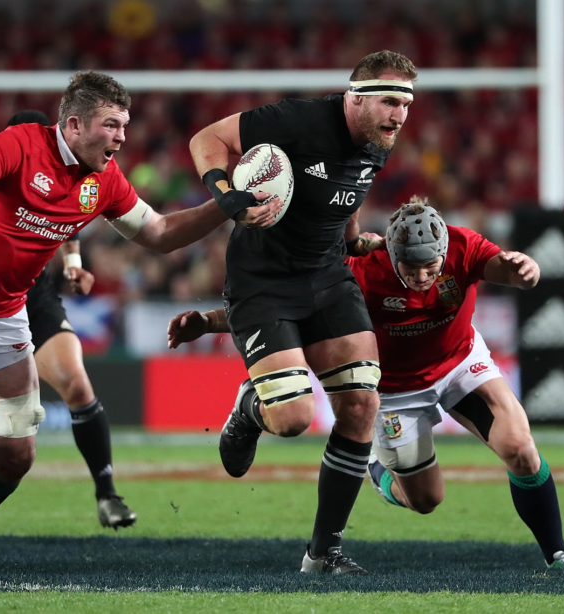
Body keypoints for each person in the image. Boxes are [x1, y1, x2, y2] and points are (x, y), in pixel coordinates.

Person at [0, 70, 279, 572]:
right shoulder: (21, 144)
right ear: (75, 124)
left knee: (16, 456)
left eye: (125, 125)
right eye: (111, 125)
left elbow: (159, 232)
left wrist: (223, 206)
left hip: (6, 313)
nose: (122, 137)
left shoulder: (103, 180)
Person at [168, 199, 564, 571]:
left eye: (430, 266)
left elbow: (506, 270)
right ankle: (374, 468)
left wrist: (526, 269)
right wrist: (208, 321)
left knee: (521, 449)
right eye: (410, 268)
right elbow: (285, 306)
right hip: (394, 392)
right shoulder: (361, 270)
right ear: (390, 252)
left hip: (460, 365)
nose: (422, 277)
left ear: (444, 250)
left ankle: (558, 553)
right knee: (426, 500)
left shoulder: (463, 246)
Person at [187, 50, 417, 575]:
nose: (399, 115)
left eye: (406, 104)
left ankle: (322, 553)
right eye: (389, 101)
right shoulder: (297, 119)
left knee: (361, 405)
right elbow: (207, 139)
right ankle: (250, 409)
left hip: (329, 277)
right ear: (355, 97)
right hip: (263, 283)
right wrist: (225, 195)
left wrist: (353, 240)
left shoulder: (377, 140)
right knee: (292, 420)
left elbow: (350, 192)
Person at [0, 110, 140, 530]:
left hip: (33, 295)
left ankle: (107, 494)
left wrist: (73, 263)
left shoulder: (58, 175)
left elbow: (67, 220)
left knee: (76, 382)